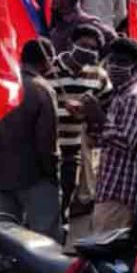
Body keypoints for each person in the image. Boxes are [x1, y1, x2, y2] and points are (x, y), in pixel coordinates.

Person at [0, 38, 62, 242]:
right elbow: (46, 141)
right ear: (46, 61)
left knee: (5, 238)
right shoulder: (42, 89)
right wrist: (52, 173)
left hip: (1, 173)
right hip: (35, 176)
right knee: (44, 241)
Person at [91, 38, 137, 231]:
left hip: (120, 192)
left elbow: (125, 141)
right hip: (108, 187)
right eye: (111, 61)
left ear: (136, 66)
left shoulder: (135, 98)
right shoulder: (120, 94)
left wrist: (98, 116)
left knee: (103, 252)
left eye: (121, 62)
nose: (113, 67)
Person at [50, 24, 112, 223]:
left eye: (94, 49)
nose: (89, 52)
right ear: (71, 43)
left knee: (71, 200)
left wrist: (87, 112)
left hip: (79, 152)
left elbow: (106, 111)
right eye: (84, 46)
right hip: (50, 148)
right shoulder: (50, 70)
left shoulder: (100, 77)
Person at [49, 0, 117, 54]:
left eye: (53, 2)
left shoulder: (92, 26)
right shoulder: (59, 27)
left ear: (61, 5)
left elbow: (113, 40)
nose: (51, 6)